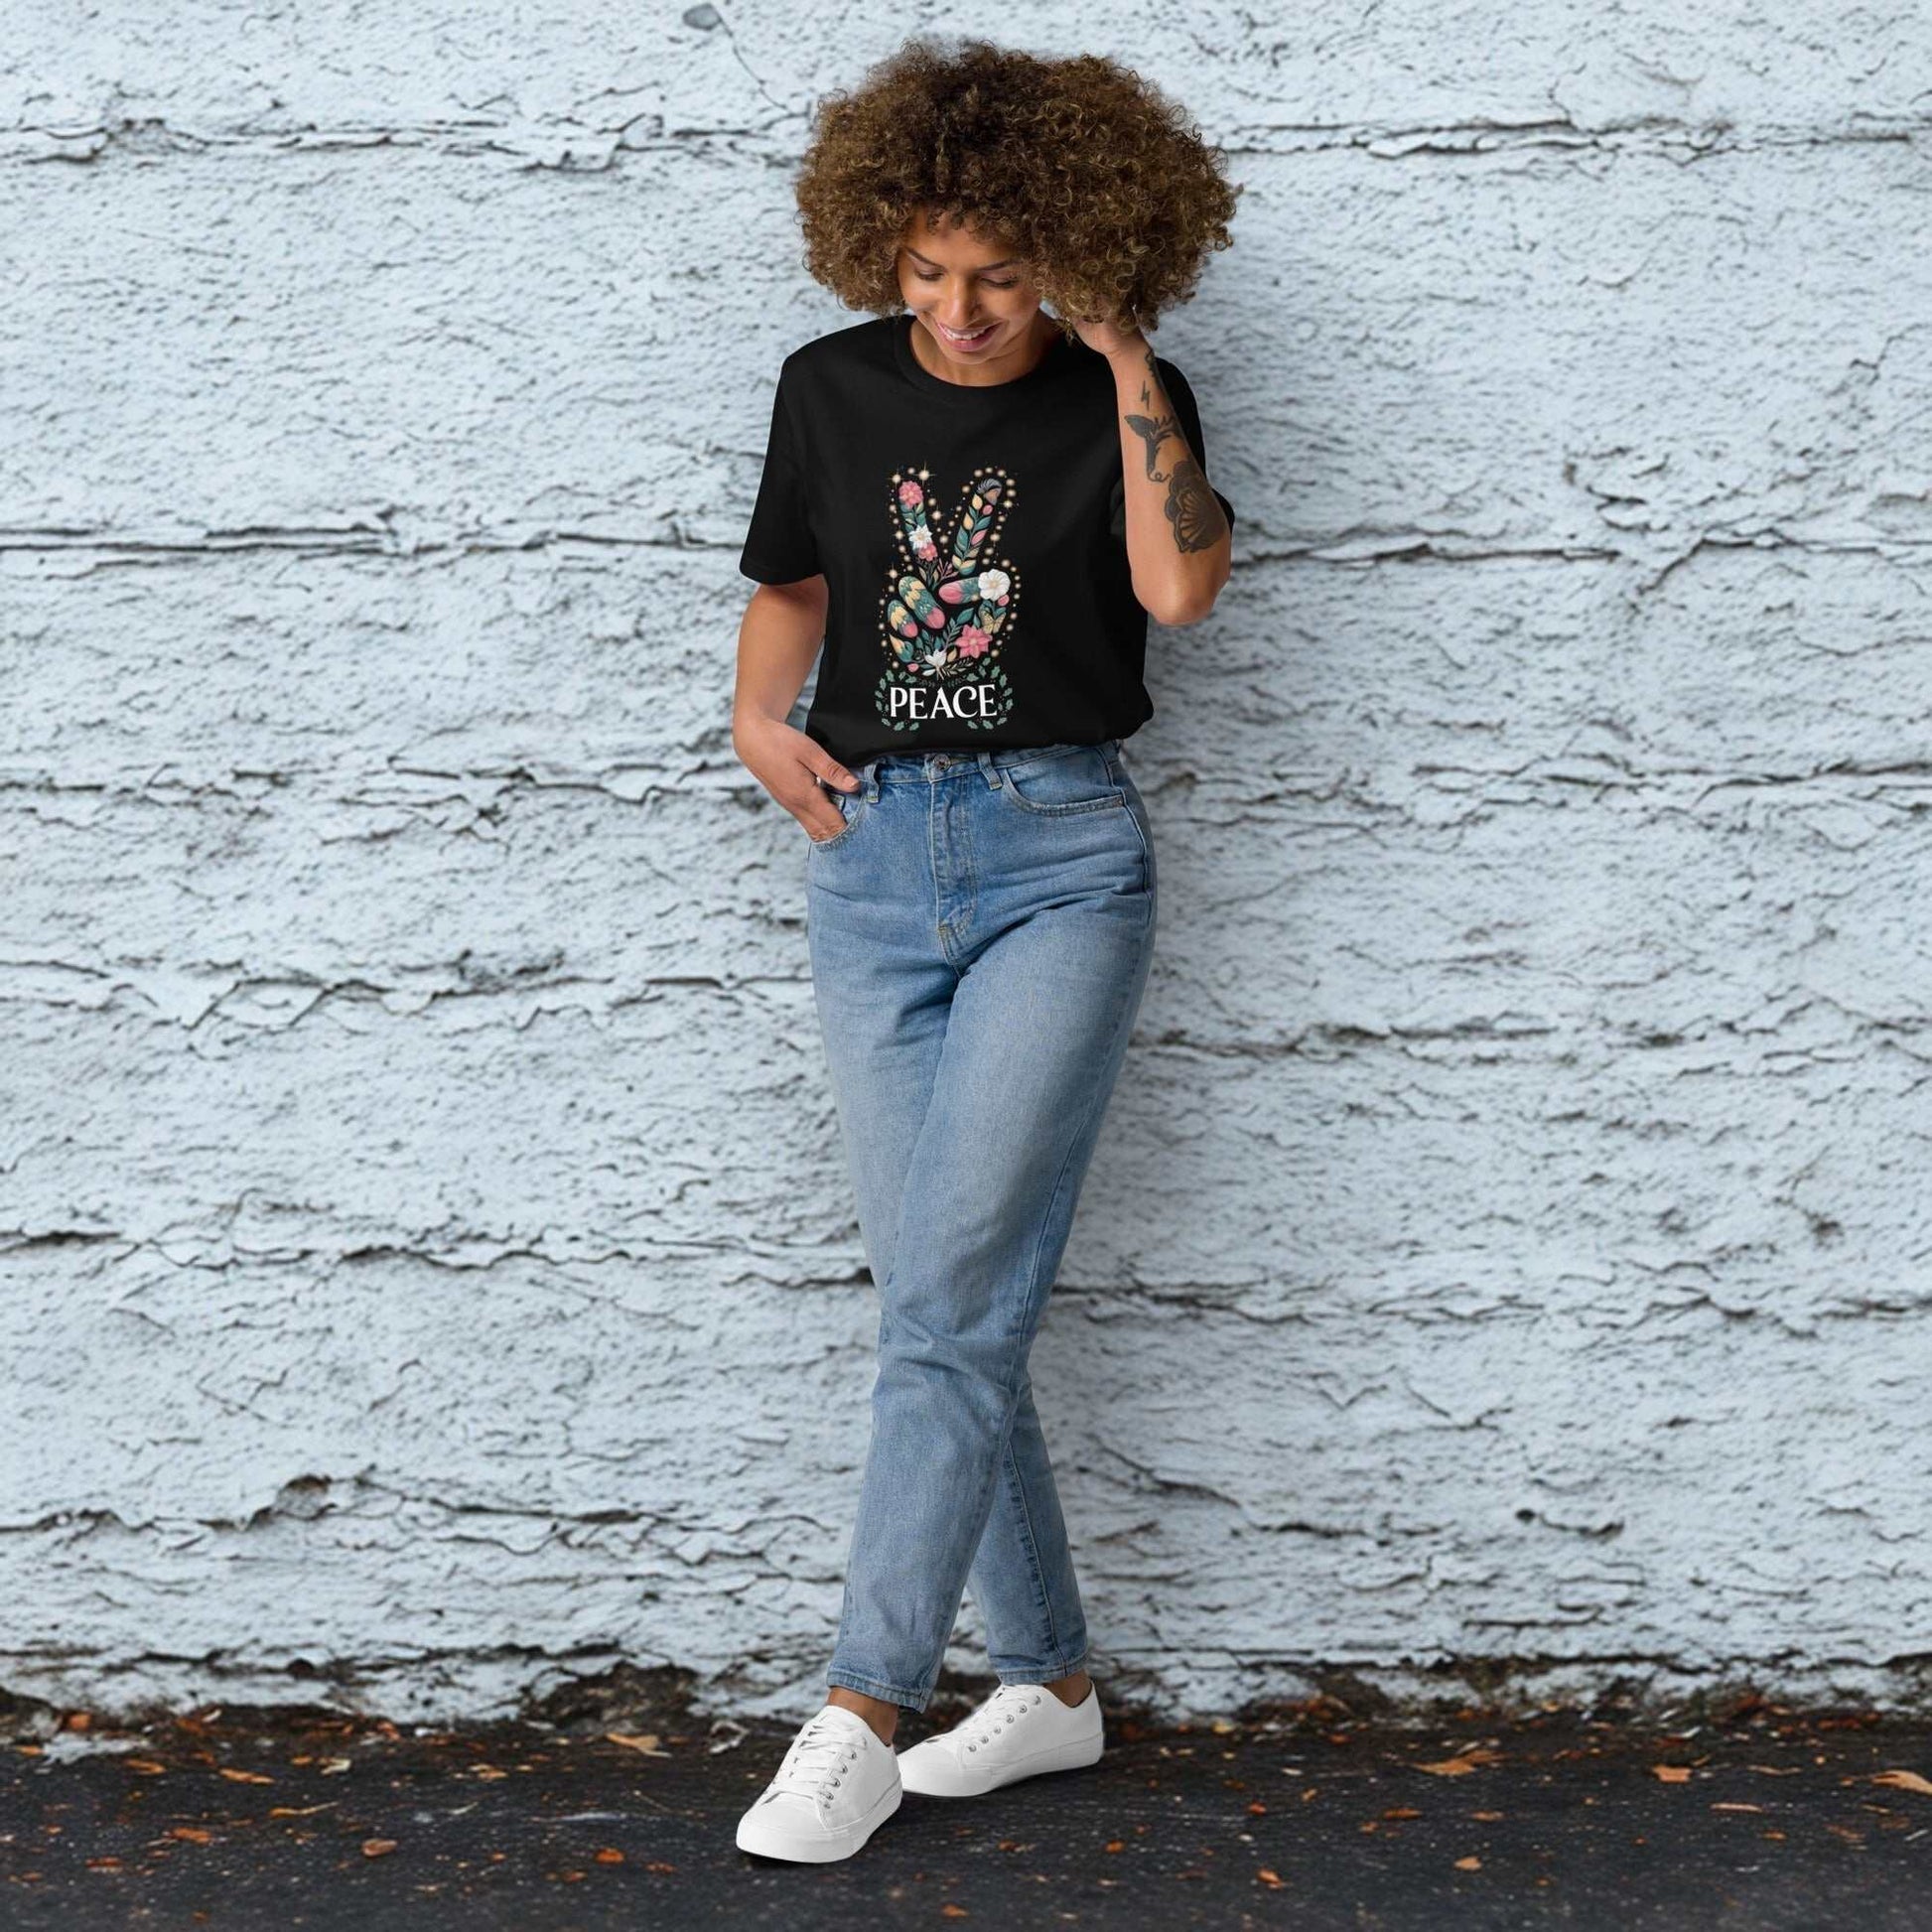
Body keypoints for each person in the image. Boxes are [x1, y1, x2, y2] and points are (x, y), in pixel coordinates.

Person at [728, 35, 1239, 1863]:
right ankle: (1051, 1685)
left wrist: (1116, 355)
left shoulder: (1130, 385)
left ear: (1081, 253)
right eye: (928, 269)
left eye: (1003, 272)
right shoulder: (828, 387)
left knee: (945, 1304)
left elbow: (1179, 589)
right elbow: (793, 578)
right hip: (873, 863)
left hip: (1055, 855)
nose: (957, 308)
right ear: (879, 242)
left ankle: (859, 1705)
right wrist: (757, 722)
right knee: (947, 1302)